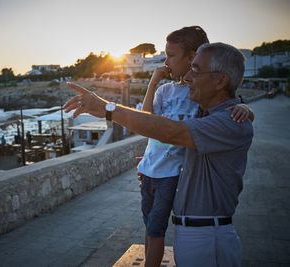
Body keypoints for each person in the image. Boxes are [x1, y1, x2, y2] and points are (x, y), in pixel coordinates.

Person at [64, 42, 253, 267]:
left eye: (196, 71)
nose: (189, 78)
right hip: (195, 233)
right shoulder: (210, 115)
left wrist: (106, 108)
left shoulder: (229, 122)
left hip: (207, 238)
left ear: (221, 80)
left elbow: (168, 130)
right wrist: (153, 163)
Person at [135, 26, 254, 266]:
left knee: (156, 226)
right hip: (153, 174)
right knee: (149, 224)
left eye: (170, 55)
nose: (165, 61)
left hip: (181, 192)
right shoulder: (169, 91)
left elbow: (223, 109)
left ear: (191, 58)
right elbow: (148, 120)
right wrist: (153, 82)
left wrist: (246, 109)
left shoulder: (200, 100)